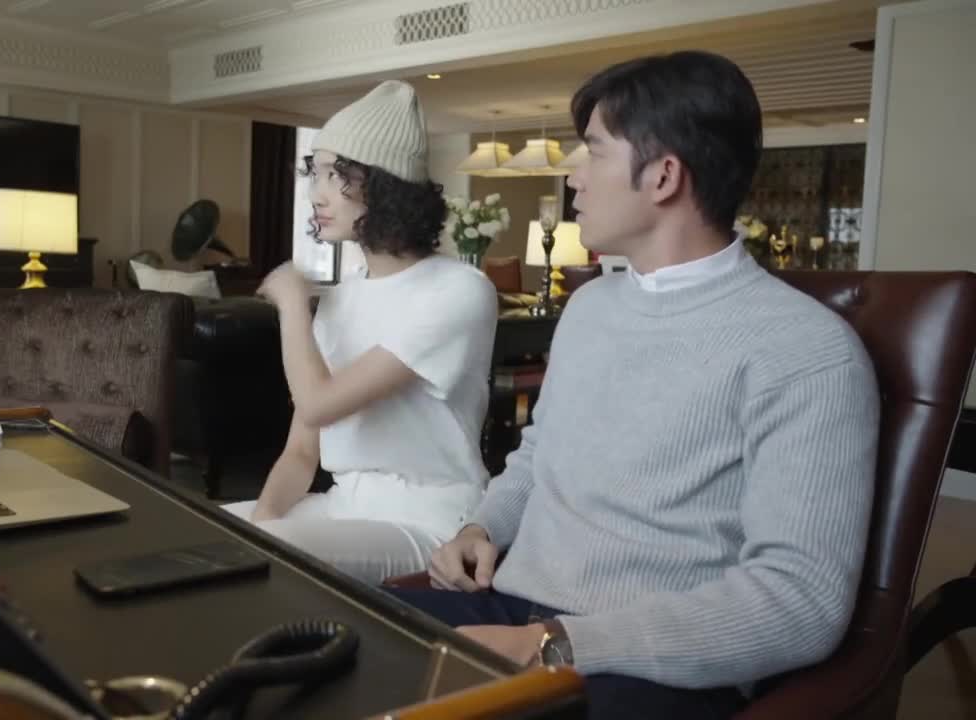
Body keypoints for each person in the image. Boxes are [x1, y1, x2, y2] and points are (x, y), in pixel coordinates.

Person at [389, 51, 881, 719]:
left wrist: (555, 644)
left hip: (652, 662)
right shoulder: (590, 307)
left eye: (593, 150)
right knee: (330, 638)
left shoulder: (806, 350)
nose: (573, 174)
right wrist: (483, 526)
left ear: (663, 175)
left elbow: (801, 601)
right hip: (510, 607)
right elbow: (538, 456)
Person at [222, 81, 499, 585]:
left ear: (388, 187)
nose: (317, 193)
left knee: (271, 554)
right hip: (342, 505)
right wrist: (262, 522)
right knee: (204, 532)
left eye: (338, 175)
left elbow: (318, 405)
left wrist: (291, 303)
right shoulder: (341, 298)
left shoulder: (459, 290)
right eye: (317, 173)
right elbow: (301, 452)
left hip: (429, 521)